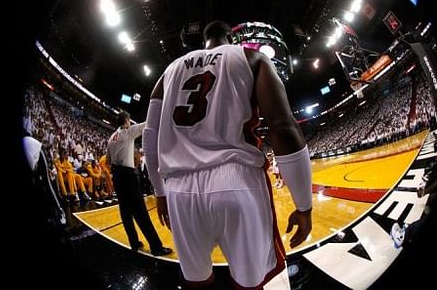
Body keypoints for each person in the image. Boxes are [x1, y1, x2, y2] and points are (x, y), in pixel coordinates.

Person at [142, 20, 313, 289]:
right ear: (231, 39)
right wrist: (304, 206)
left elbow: (149, 142)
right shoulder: (250, 58)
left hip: (179, 192)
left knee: (196, 281)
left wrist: (160, 194)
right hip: (237, 182)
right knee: (249, 283)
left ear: (203, 43)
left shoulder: (168, 73)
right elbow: (284, 129)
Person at [106, 110, 172, 256]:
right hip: (128, 175)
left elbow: (108, 161)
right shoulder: (127, 132)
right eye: (129, 121)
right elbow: (146, 124)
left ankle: (134, 242)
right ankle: (156, 247)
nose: (130, 123)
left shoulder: (111, 138)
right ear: (126, 121)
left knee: (125, 212)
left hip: (117, 176)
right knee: (141, 212)